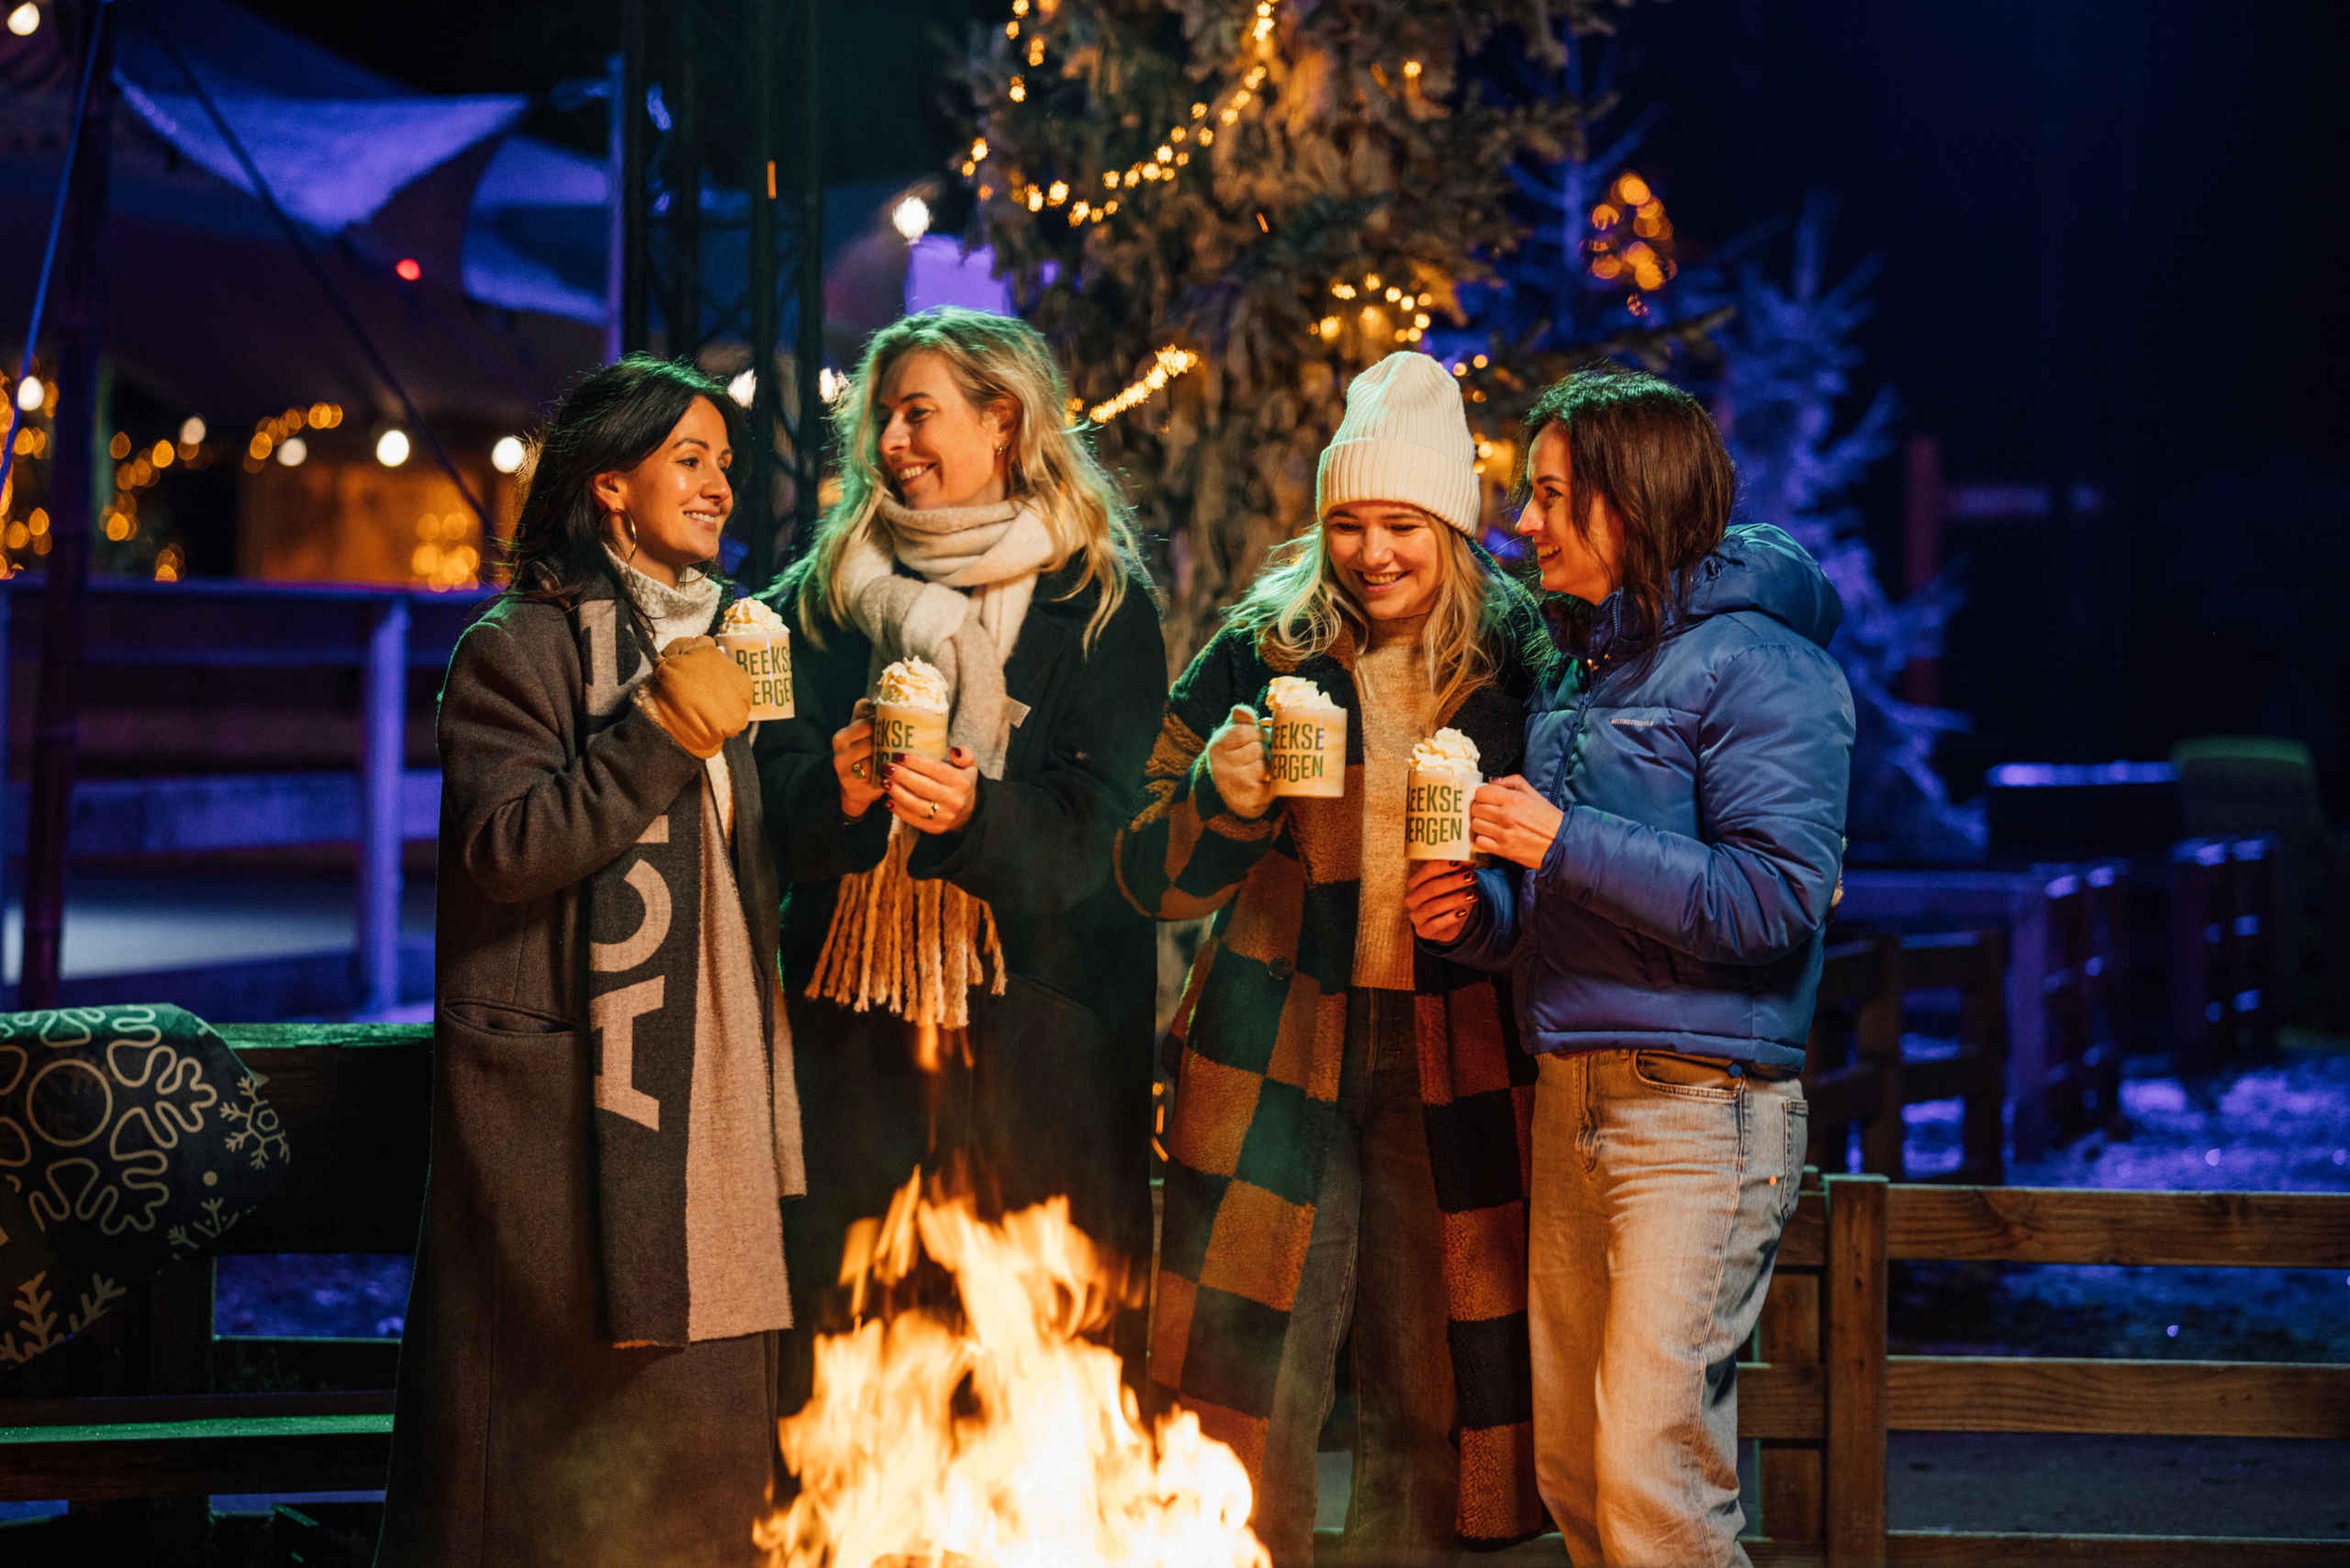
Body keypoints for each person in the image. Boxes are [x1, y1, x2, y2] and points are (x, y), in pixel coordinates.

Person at [1410, 364, 1855, 1568]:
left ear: (1635, 499)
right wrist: (1476, 917)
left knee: (1653, 1475)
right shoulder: (1583, 671)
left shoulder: (1764, 664)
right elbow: (1571, 907)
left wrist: (1560, 841)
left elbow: (1775, 902)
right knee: (1574, 1466)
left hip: (1701, 1109)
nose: (1526, 522)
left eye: (1555, 495)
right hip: (1576, 1094)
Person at [1120, 351, 1553, 1567]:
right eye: (1350, 524)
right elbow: (1147, 874)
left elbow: (1556, 867)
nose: (1373, 554)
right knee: (1254, 1369)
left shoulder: (1521, 665)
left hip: (1456, 1055)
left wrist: (1488, 909)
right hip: (1273, 1045)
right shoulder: (1264, 651)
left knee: (1433, 1371)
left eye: (1403, 525)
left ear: (1453, 526)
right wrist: (1220, 797)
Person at [379, 355, 802, 1568]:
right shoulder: (520, 648)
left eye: (725, 462)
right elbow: (507, 849)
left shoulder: (728, 641)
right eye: (690, 458)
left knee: (705, 1452)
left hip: (709, 1100)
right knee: (560, 1471)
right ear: (610, 484)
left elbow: (731, 864)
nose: (720, 485)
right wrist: (663, 727)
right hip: (575, 1118)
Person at [755, 307, 1165, 1359]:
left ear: (1002, 421)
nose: (892, 440)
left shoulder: (1100, 604)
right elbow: (764, 796)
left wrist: (980, 818)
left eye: (919, 412)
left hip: (1040, 1051)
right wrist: (838, 798)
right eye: (884, 417)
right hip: (858, 1046)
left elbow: (1110, 833)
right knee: (859, 1357)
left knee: (1035, 1367)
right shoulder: (819, 601)